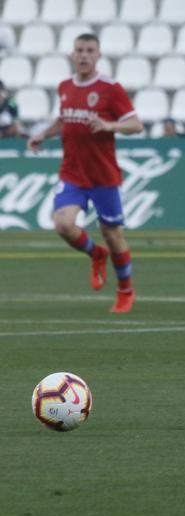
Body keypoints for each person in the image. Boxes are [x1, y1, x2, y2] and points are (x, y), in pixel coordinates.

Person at [26, 33, 144, 314]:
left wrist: (109, 125)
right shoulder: (65, 87)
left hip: (102, 176)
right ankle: (95, 253)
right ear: (72, 54)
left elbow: (136, 125)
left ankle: (125, 290)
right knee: (63, 225)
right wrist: (44, 133)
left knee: (113, 234)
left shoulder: (110, 88)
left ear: (98, 55)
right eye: (79, 50)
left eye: (90, 50)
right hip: (72, 173)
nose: (84, 55)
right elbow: (65, 118)